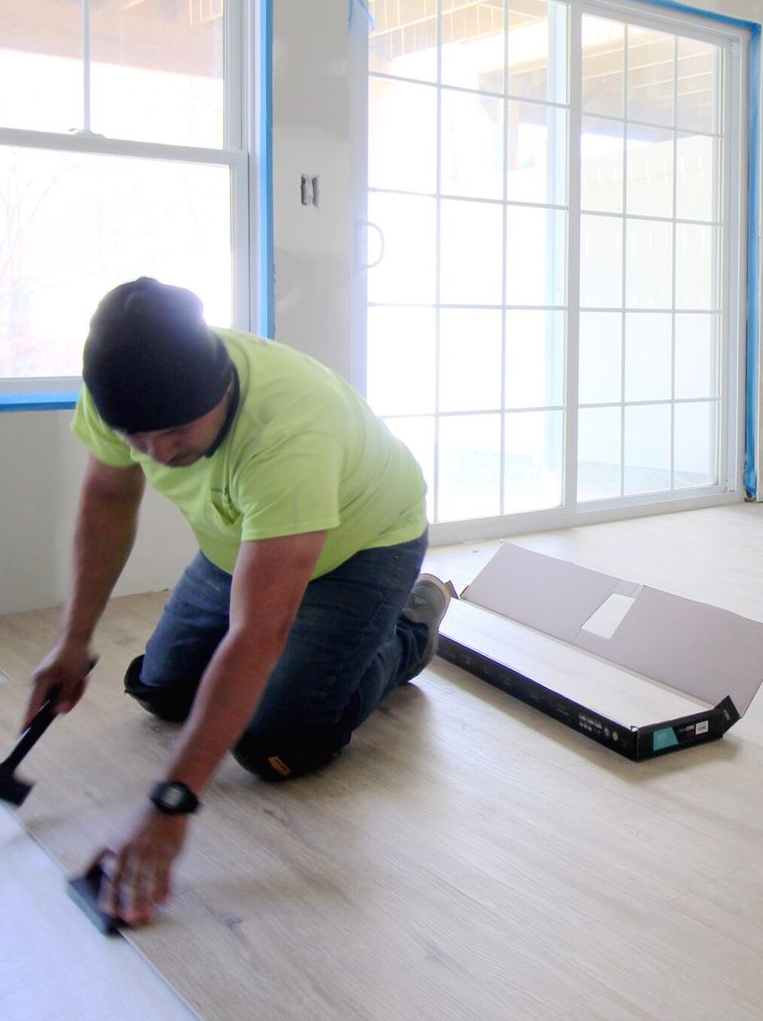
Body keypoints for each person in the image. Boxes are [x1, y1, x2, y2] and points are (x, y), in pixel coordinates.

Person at [24, 277, 452, 927]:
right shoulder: (122, 387)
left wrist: (170, 804)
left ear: (222, 388)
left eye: (174, 432)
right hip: (242, 546)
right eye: (139, 439)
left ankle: (413, 623)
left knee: (276, 745)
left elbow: (258, 634)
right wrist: (73, 640)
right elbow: (108, 500)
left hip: (362, 546)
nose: (160, 454)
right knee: (161, 693)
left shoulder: (290, 429)